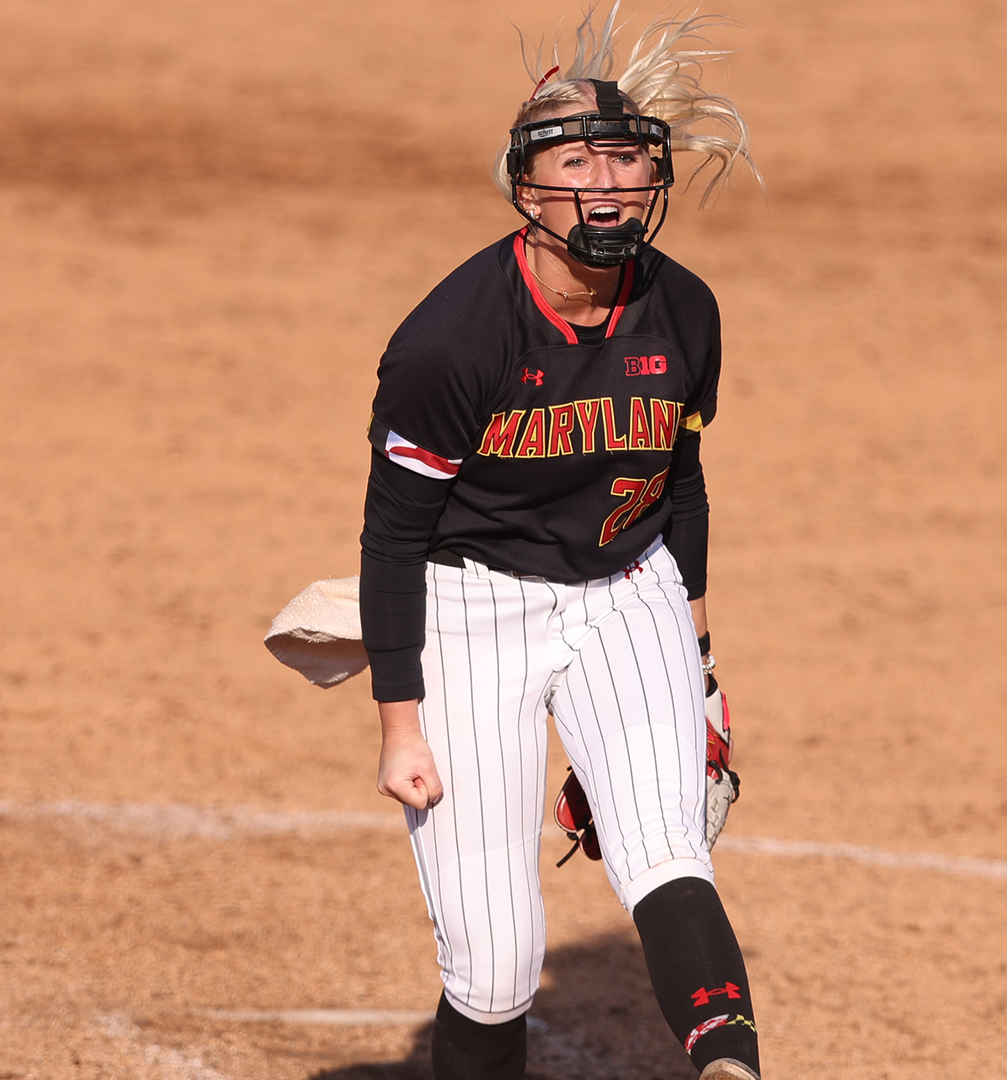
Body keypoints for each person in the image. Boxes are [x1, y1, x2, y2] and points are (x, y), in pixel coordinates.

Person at [357, 8, 762, 1078]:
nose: (606, 183)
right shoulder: (451, 341)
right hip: (467, 608)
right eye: (576, 160)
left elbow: (681, 484)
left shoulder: (686, 311)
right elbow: (392, 533)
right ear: (525, 189)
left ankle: (731, 1068)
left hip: (625, 587)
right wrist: (401, 722)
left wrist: (700, 661)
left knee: (668, 849)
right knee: (493, 960)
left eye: (625, 158)